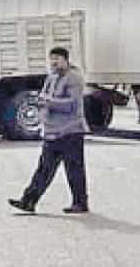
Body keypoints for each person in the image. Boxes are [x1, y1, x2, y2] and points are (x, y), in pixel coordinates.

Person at [9, 46, 89, 214]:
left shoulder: (73, 78)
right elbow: (45, 97)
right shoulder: (51, 77)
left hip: (70, 131)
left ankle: (80, 203)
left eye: (57, 59)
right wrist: (39, 101)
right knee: (44, 169)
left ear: (66, 60)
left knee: (74, 170)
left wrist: (48, 101)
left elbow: (71, 105)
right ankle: (28, 201)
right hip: (52, 131)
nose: (53, 62)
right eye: (51, 59)